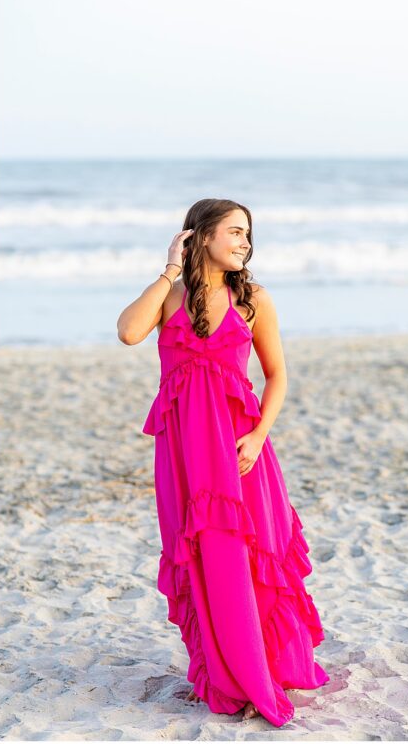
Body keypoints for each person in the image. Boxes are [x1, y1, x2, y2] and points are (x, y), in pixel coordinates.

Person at [118, 199, 329, 725]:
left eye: (249, 234)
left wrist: (259, 435)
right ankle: (223, 670)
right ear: (201, 235)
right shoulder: (171, 297)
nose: (244, 242)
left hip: (239, 449)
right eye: (235, 231)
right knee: (202, 558)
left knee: (248, 556)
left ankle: (260, 670)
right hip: (183, 451)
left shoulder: (252, 298)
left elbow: (277, 376)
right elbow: (127, 332)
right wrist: (170, 268)